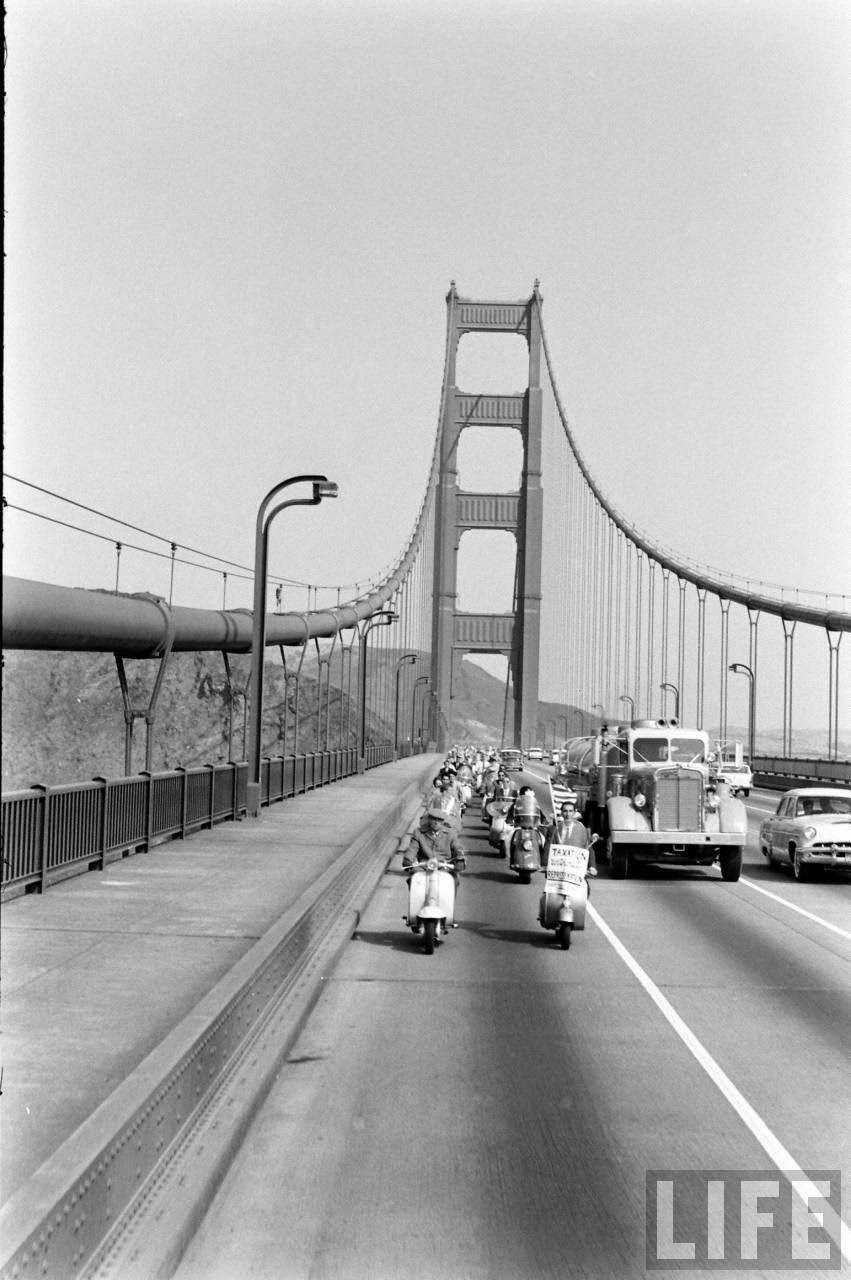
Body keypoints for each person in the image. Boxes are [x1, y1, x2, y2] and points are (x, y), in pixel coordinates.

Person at [406, 805, 467, 888]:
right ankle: (416, 901)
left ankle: (449, 901)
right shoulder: (419, 832)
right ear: (429, 820)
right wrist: (408, 858)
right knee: (413, 879)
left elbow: (458, 846)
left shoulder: (450, 833)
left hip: (444, 866)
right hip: (424, 865)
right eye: (433, 819)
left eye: (439, 820)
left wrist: (461, 858)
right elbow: (412, 848)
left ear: (443, 822)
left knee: (454, 881)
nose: (436, 822)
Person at [542, 790, 598, 879]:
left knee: (584, 891)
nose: (568, 814)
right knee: (551, 892)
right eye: (565, 811)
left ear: (574, 812)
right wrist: (545, 864)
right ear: (561, 813)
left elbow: (588, 848)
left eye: (570, 811)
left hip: (575, 869)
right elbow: (548, 847)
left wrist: (592, 867)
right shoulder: (554, 829)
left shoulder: (581, 829)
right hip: (558, 868)